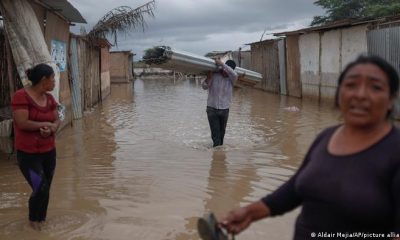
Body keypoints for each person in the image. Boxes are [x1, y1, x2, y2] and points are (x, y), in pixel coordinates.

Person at [219, 55, 400, 239]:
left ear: (391, 99)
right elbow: (295, 188)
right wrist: (249, 213)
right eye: (351, 85)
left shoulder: (395, 151)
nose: (360, 94)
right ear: (340, 94)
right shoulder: (327, 137)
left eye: (375, 87)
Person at [11, 63, 60, 230]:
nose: (54, 82)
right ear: (43, 80)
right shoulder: (21, 96)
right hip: (28, 155)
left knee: (46, 189)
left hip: (49, 152)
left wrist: (53, 127)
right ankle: (33, 221)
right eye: (52, 79)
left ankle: (42, 221)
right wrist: (45, 124)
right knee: (40, 187)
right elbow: (21, 122)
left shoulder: (50, 98)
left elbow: (57, 119)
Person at [202, 59, 238, 147]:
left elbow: (234, 74)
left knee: (222, 134)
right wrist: (208, 79)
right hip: (212, 109)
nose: (225, 73)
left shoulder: (232, 79)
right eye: (224, 70)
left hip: (225, 109)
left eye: (228, 71)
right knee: (215, 135)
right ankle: (217, 154)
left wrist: (221, 64)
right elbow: (204, 87)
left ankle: (219, 156)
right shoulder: (214, 75)